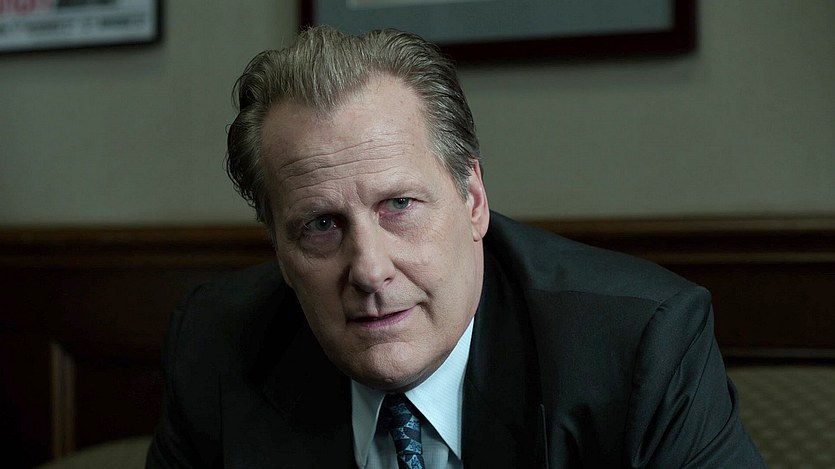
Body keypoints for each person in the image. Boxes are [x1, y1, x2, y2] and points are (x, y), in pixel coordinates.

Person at [147, 26, 765, 468]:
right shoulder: (215, 346)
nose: (369, 270)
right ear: (280, 251)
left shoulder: (638, 343)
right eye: (321, 225)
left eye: (399, 205)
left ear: (472, 199)